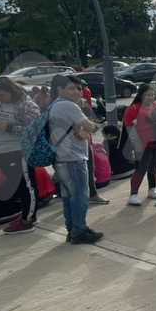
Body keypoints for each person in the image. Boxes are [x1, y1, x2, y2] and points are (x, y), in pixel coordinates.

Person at [0, 76, 42, 232]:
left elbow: (35, 130)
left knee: (26, 186)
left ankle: (28, 220)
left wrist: (7, 127)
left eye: (1, 95)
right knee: (17, 186)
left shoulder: (26, 105)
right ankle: (26, 214)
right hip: (1, 151)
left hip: (17, 151)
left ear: (11, 90)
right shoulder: (0, 103)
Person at [47, 74, 102, 244]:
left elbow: (86, 127)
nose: (76, 92)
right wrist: (87, 129)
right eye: (71, 88)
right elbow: (92, 125)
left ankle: (72, 229)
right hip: (73, 158)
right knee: (79, 196)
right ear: (60, 89)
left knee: (68, 196)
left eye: (78, 88)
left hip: (61, 158)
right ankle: (79, 231)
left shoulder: (54, 106)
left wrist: (85, 129)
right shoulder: (68, 105)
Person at [124, 85, 156, 205]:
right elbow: (130, 127)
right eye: (147, 95)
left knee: (154, 167)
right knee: (141, 169)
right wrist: (137, 143)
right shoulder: (134, 108)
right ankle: (133, 194)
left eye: (152, 95)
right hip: (142, 144)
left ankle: (152, 189)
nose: (150, 97)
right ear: (141, 95)